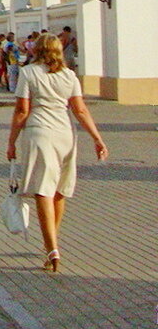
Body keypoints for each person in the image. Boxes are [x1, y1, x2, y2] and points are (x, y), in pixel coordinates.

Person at [7, 34, 108, 273]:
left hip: (39, 132)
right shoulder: (69, 75)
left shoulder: (29, 73)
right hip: (65, 133)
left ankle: (51, 247)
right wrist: (97, 138)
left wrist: (11, 141)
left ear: (37, 50)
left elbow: (22, 110)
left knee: (43, 189)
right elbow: (80, 109)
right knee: (60, 190)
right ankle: (52, 242)